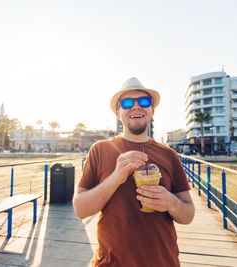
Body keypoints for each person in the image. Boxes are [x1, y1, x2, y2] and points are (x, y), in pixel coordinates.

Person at [73, 77, 195, 267]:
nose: (136, 107)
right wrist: (116, 177)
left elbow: (188, 215)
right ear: (117, 112)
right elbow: (80, 209)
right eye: (128, 102)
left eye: (144, 102)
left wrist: (171, 202)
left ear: (152, 110)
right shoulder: (100, 150)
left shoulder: (170, 155)